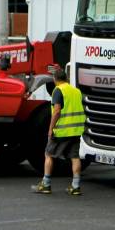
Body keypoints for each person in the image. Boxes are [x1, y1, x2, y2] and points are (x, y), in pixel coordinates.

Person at [33, 67, 86, 195]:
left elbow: (57, 111)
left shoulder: (58, 90)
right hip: (76, 130)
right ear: (66, 78)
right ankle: (76, 186)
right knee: (74, 157)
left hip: (62, 131)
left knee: (49, 155)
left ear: (55, 79)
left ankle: (46, 184)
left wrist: (51, 128)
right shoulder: (76, 91)